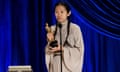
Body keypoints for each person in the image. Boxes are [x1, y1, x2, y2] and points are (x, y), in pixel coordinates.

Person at [45, 1, 84, 72]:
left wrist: (63, 49)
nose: (59, 14)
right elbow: (48, 51)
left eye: (62, 12)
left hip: (68, 66)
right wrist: (49, 42)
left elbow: (79, 50)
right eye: (56, 12)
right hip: (55, 64)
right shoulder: (52, 29)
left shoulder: (75, 28)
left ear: (68, 13)